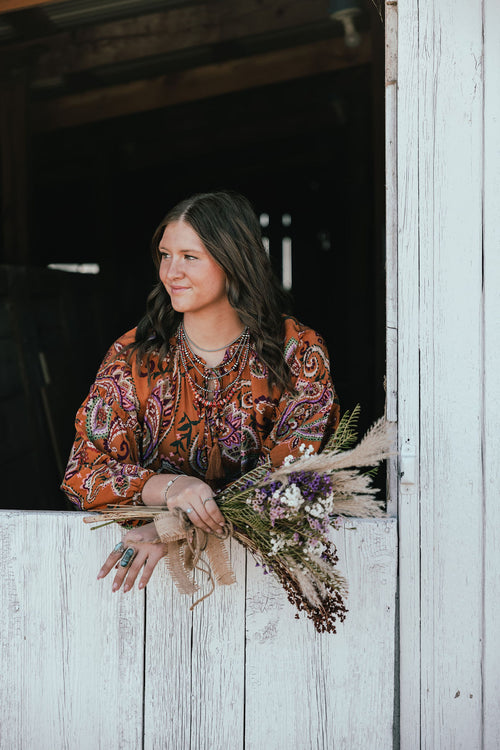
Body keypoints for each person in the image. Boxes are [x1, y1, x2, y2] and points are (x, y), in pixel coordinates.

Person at [62, 190, 339, 595]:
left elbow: (293, 477)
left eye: (190, 257)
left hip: (269, 590)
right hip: (152, 593)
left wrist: (169, 524)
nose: (171, 272)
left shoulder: (297, 352)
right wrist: (172, 489)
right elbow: (83, 473)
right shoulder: (135, 356)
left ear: (234, 260)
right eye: (165, 255)